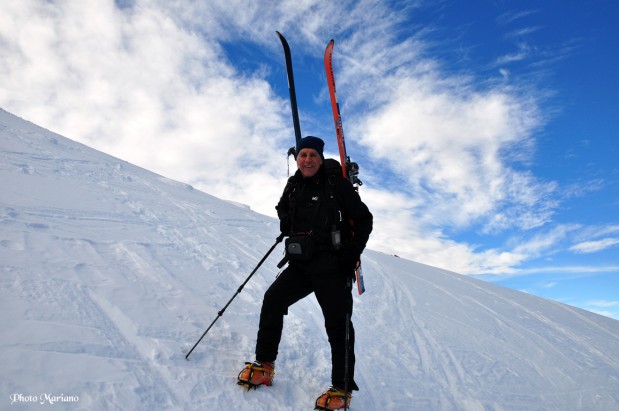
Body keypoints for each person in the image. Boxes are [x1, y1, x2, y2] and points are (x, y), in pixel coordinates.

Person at [238, 136, 373, 410]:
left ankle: (342, 389)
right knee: (273, 300)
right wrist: (287, 223)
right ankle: (265, 365)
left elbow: (364, 219)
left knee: (338, 326)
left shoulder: (336, 185)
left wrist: (350, 255)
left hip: (333, 267)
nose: (308, 160)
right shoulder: (294, 184)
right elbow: (282, 208)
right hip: (302, 264)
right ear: (297, 158)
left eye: (313, 155)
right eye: (303, 155)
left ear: (320, 158)